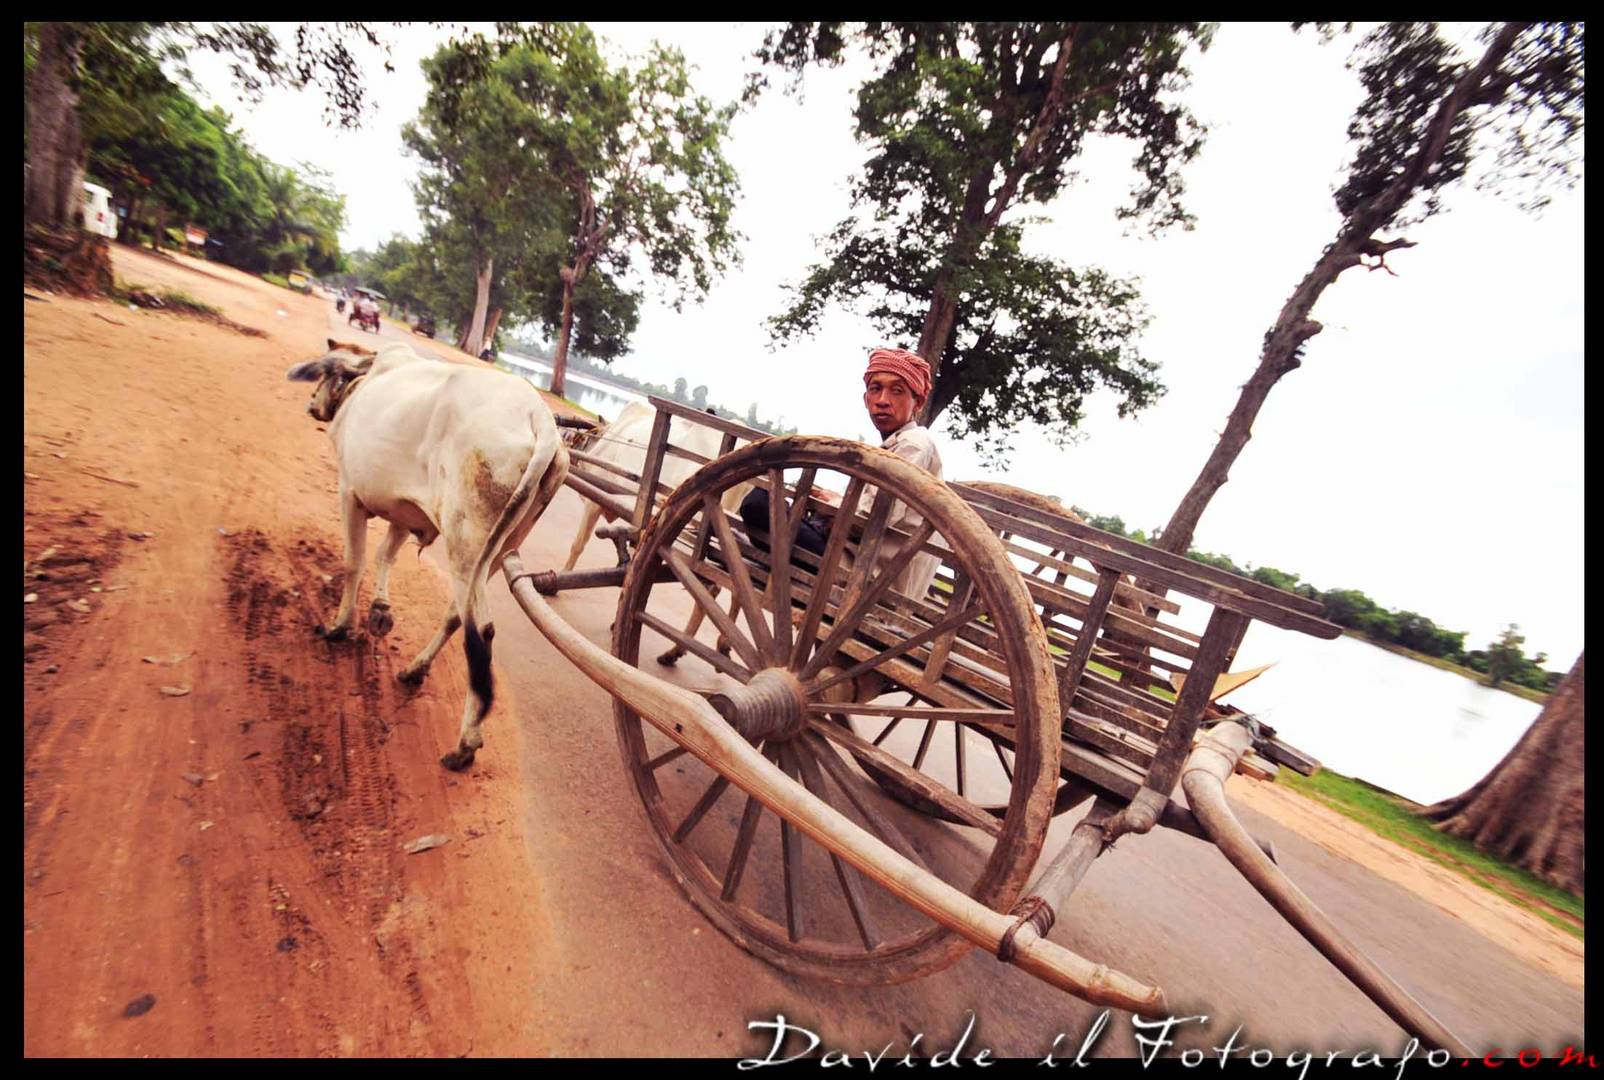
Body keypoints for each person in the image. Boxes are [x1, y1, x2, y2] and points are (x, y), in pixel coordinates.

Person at [739, 346, 944, 600]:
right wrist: (832, 502)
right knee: (771, 505)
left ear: (918, 403)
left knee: (758, 502)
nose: (882, 400)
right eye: (875, 389)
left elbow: (873, 519)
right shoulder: (902, 442)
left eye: (897, 391)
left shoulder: (913, 444)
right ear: (865, 398)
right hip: (857, 559)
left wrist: (830, 506)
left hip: (864, 573)